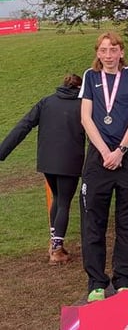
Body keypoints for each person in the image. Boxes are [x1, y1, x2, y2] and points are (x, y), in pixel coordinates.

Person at [79, 32, 128, 302]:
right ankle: (96, 281)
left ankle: (123, 279)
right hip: (98, 158)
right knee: (93, 221)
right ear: (98, 53)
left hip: (126, 157)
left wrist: (120, 150)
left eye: (113, 50)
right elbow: (85, 117)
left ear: (121, 52)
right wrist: (105, 151)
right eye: (103, 50)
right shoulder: (90, 77)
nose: (108, 55)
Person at [0, 73, 86, 264]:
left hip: (47, 161)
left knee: (57, 198)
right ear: (80, 88)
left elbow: (24, 125)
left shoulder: (46, 102)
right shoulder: (82, 105)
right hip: (70, 161)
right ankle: (56, 250)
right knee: (64, 201)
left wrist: (2, 151)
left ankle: (55, 243)